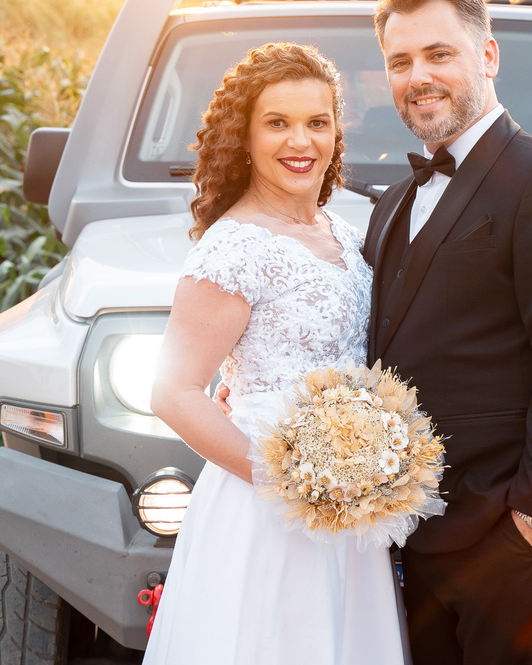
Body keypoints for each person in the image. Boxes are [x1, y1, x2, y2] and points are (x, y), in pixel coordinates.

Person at [364, 0, 532, 665]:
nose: (418, 76)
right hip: (419, 531)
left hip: (513, 535)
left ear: (488, 56)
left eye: (439, 54)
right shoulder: (391, 202)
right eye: (400, 61)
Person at [143, 42, 406, 665]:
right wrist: (288, 479)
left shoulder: (343, 232)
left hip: (350, 503)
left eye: (318, 122)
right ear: (246, 136)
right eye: (278, 123)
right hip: (267, 505)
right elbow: (173, 392)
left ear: (336, 132)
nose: (301, 141)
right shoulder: (234, 245)